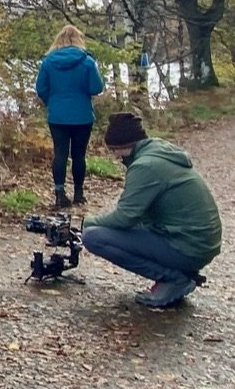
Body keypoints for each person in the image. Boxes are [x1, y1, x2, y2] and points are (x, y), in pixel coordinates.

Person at [81, 111, 222, 309]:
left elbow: (124, 218)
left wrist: (85, 223)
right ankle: (182, 274)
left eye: (115, 150)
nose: (115, 156)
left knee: (94, 237)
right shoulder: (158, 151)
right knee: (119, 230)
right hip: (198, 242)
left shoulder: (146, 166)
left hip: (189, 246)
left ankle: (174, 279)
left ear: (126, 144)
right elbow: (137, 215)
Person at [32, 23, 105, 209]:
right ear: (79, 40)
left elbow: (41, 88)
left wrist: (52, 101)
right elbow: (96, 88)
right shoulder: (87, 62)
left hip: (57, 116)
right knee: (79, 155)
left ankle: (59, 193)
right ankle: (79, 194)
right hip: (82, 115)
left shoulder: (48, 62)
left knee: (60, 153)